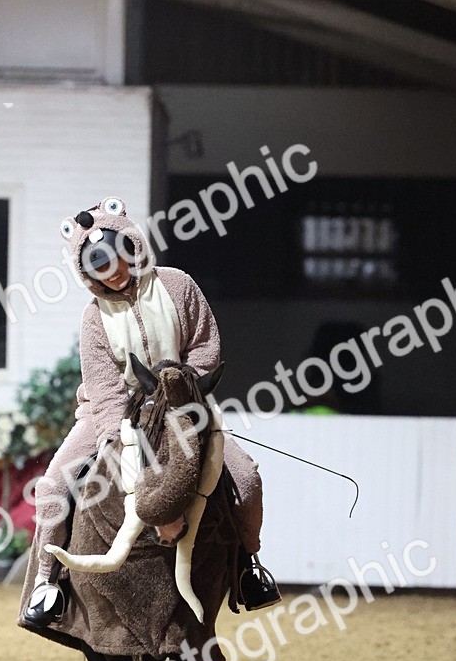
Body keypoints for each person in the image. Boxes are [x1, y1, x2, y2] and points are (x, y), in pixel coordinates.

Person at [22, 196, 280, 626]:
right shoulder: (93, 318)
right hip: (114, 412)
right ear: (88, 272)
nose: (117, 272)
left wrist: (179, 391)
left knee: (247, 478)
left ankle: (249, 568)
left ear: (132, 244)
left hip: (183, 404)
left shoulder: (178, 285)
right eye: (102, 266)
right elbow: (104, 389)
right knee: (53, 484)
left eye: (120, 257)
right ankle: (47, 584)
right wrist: (117, 432)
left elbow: (205, 348)